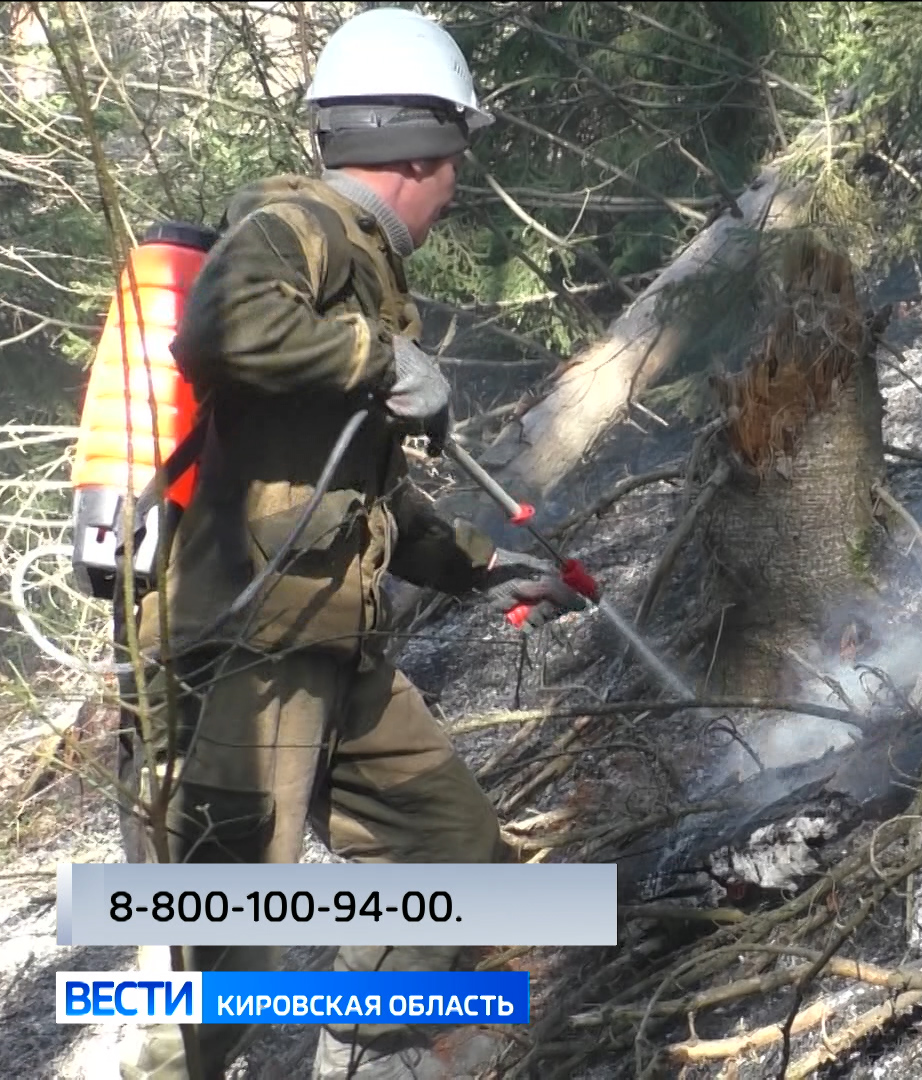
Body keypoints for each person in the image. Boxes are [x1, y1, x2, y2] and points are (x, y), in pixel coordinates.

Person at [116, 8, 589, 1079]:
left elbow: (350, 499)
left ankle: (367, 1037)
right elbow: (220, 328)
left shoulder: (364, 268)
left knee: (460, 851)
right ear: (417, 153)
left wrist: (481, 565)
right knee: (224, 940)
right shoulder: (303, 224)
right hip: (250, 652)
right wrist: (378, 359)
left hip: (335, 643)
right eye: (456, 161)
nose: (459, 185)